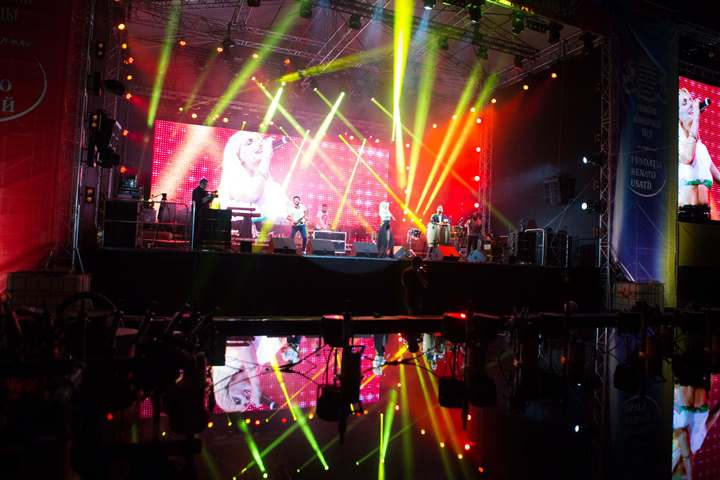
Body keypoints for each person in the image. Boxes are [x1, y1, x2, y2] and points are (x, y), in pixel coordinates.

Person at [217, 131, 288, 222]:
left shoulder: (274, 187)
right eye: (249, 143)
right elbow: (251, 196)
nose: (259, 144)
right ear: (237, 153)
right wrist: (266, 157)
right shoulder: (232, 181)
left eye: (260, 141)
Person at [212, 336, 281, 412]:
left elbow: (243, 342)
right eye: (246, 402)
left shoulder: (223, 364)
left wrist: (255, 385)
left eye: (237, 400)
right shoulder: (258, 362)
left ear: (225, 388)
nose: (245, 398)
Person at [678, 88, 720, 210]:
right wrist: (696, 117)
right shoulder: (674, 141)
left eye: (690, 100)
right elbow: (687, 158)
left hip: (704, 215)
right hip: (684, 213)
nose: (691, 104)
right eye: (684, 103)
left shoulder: (701, 148)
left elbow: (717, 175)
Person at [191, 178, 217, 249]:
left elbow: (208, 201)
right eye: (205, 184)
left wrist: (212, 197)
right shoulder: (196, 191)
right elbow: (200, 201)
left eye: (206, 184)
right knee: (196, 230)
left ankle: (200, 245)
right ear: (201, 184)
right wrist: (209, 196)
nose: (206, 186)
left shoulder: (204, 192)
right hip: (197, 213)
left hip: (204, 214)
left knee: (202, 230)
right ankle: (194, 246)